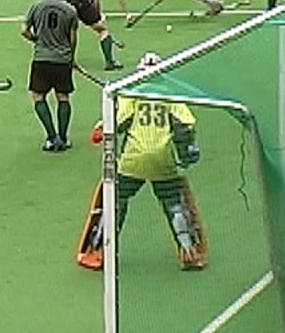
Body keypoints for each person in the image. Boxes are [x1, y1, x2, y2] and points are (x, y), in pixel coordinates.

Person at [77, 52, 207, 271]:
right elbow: (186, 125)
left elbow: (117, 122)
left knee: (114, 201)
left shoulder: (132, 95)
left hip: (133, 160)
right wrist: (186, 152)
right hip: (162, 160)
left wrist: (100, 129)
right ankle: (190, 252)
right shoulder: (171, 96)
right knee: (175, 204)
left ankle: (98, 251)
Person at [22, 0, 79, 152]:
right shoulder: (70, 10)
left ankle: (51, 137)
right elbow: (73, 38)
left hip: (41, 58)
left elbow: (24, 30)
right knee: (63, 97)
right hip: (62, 60)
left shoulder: (37, 7)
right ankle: (63, 137)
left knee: (38, 97)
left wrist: (36, 39)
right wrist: (72, 58)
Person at [61, 0, 126, 71]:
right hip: (80, 2)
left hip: (64, 1)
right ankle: (109, 62)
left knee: (69, 31)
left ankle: (68, 60)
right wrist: (97, 15)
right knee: (103, 30)